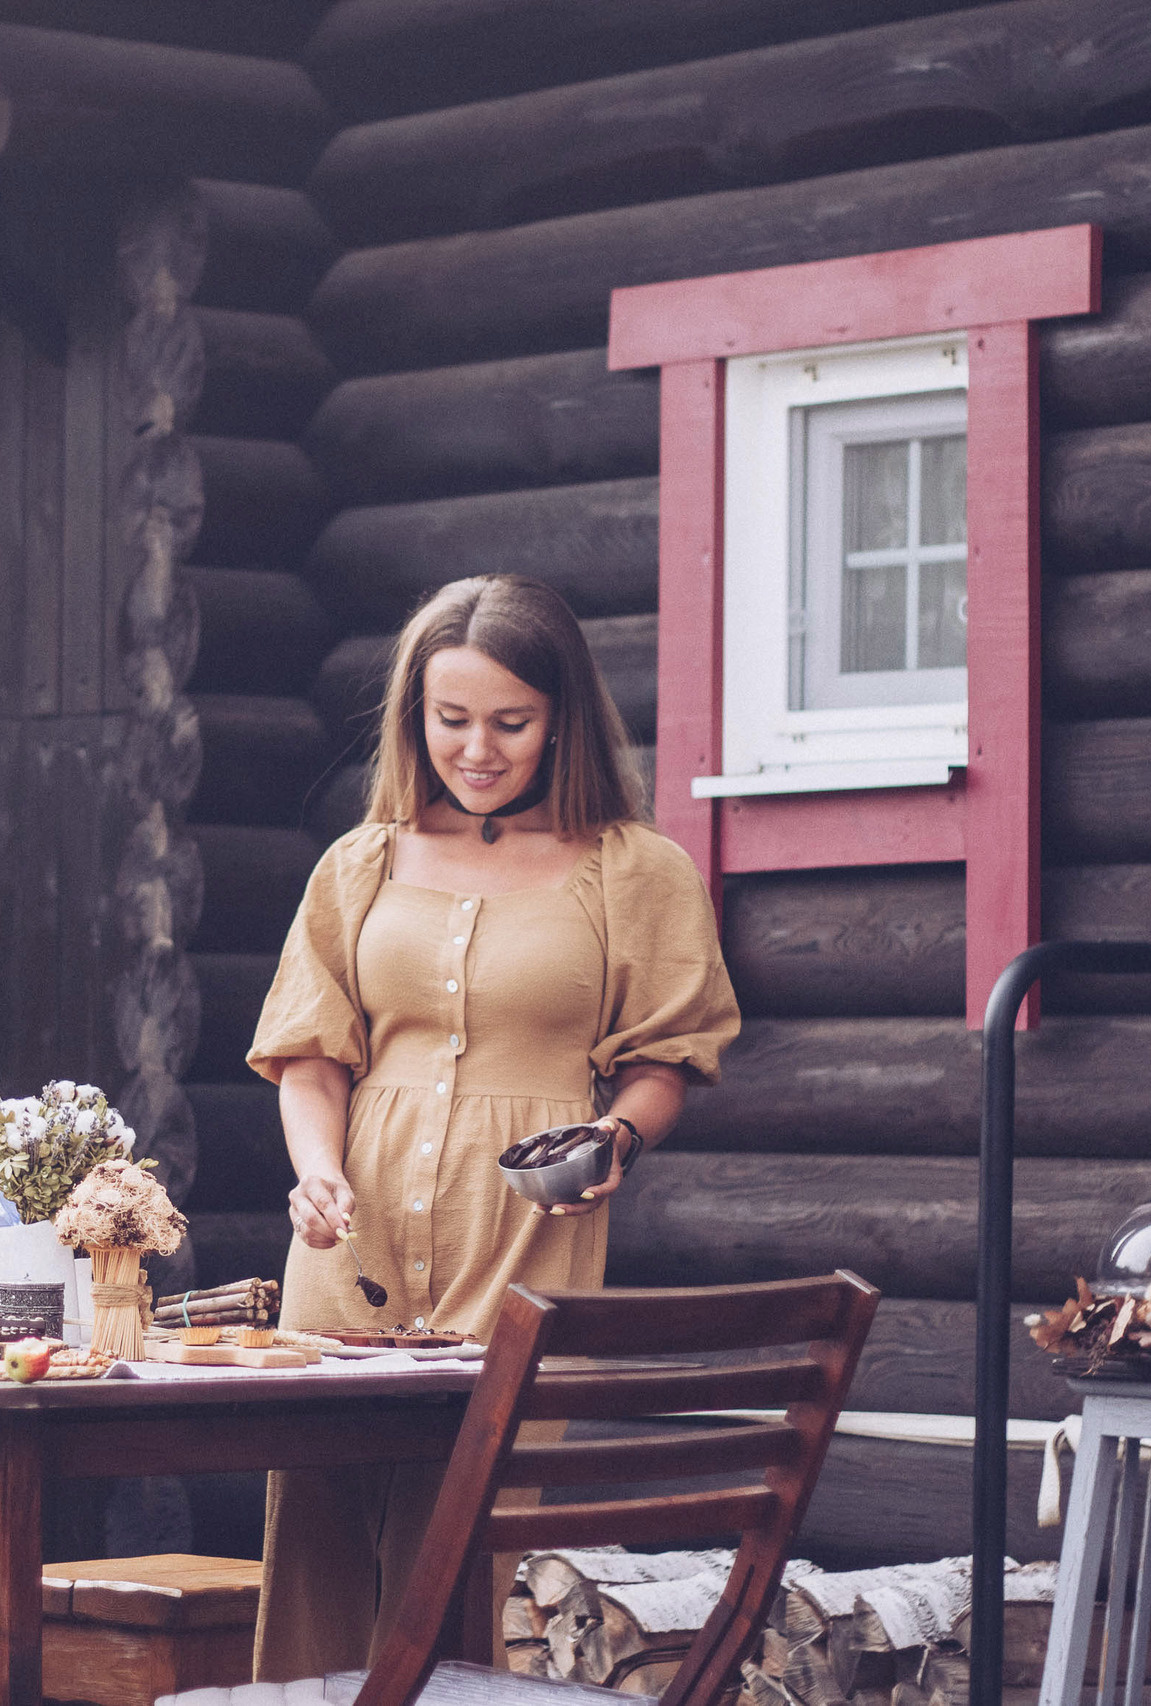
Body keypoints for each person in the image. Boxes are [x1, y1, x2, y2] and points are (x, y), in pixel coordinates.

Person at [245, 574, 741, 1681]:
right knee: (315, 1536)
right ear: (413, 716)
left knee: (455, 1544)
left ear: (561, 716)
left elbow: (669, 1056)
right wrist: (315, 1171)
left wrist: (618, 1137)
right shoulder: (360, 863)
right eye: (450, 718)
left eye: (510, 722)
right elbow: (311, 1055)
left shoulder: (633, 868)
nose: (477, 748)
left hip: (522, 1234)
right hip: (349, 1239)